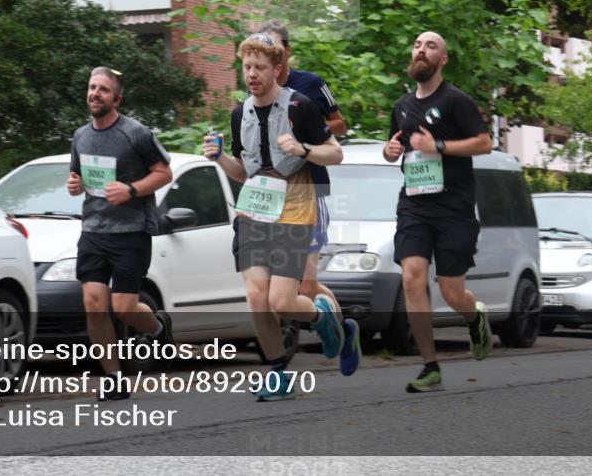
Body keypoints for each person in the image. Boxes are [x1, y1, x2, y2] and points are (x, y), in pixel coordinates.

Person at [203, 33, 348, 401]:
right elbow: (242, 172)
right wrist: (219, 158)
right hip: (254, 207)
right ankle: (277, 373)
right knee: (256, 296)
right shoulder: (240, 114)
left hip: (296, 205)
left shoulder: (300, 106)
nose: (252, 74)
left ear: (277, 69)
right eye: (247, 66)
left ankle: (320, 316)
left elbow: (336, 154)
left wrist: (304, 148)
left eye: (260, 67)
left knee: (282, 301)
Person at [383, 31, 494, 393]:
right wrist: (390, 152)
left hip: (454, 207)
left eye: (430, 46)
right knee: (412, 277)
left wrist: (439, 145)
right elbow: (395, 146)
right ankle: (430, 366)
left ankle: (473, 314)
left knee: (451, 292)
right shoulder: (401, 105)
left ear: (442, 60)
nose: (421, 50)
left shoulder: (456, 101)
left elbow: (484, 143)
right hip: (414, 203)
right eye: (417, 44)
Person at [257, 20, 360, 376]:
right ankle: (336, 327)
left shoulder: (309, 84)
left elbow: (339, 124)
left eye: (274, 47)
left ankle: (342, 331)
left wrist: (308, 132)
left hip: (310, 188)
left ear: (286, 51)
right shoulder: (256, 92)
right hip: (272, 198)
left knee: (307, 282)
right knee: (281, 285)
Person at [67, 67, 174, 401]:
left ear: (117, 98)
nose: (95, 94)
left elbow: (163, 172)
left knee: (124, 307)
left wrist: (131, 189)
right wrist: (75, 184)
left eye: (103, 89)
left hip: (131, 231)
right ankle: (113, 378)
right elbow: (78, 177)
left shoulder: (136, 133)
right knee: (94, 304)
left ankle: (158, 327)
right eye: (91, 87)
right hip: (94, 229)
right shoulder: (80, 136)